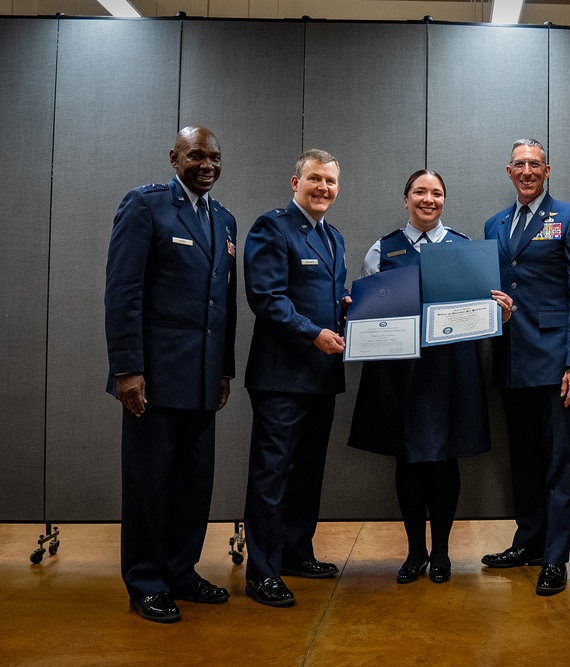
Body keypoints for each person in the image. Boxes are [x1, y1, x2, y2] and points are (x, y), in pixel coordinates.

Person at [347, 170, 514, 585]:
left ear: (444, 200)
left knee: (444, 459)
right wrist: (354, 313)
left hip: (451, 372)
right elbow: (365, 312)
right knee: (408, 460)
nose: (428, 199)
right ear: (406, 199)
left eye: (436, 193)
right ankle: (415, 552)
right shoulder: (381, 250)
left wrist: (502, 313)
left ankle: (440, 552)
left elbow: (483, 311)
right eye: (420, 192)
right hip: (399, 374)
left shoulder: (465, 248)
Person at [105, 125, 237, 623]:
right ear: (174, 157)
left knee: (193, 483)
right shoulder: (146, 206)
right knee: (148, 483)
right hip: (153, 380)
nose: (207, 165)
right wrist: (127, 368)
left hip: (203, 379)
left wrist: (223, 370)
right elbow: (123, 292)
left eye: (215, 157)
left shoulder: (224, 220)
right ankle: (145, 581)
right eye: (196, 156)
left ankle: (181, 571)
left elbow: (222, 304)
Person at [480, 139, 570, 596]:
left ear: (546, 170)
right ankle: (527, 542)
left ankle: (554, 557)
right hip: (512, 361)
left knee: (558, 463)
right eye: (519, 165)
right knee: (524, 462)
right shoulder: (494, 223)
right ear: (508, 171)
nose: (527, 171)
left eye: (535, 164)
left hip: (555, 364)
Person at [241, 149, 350, 607]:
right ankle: (262, 572)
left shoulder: (334, 238)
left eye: (330, 181)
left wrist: (348, 308)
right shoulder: (272, 227)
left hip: (321, 376)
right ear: (295, 182)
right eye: (315, 179)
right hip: (282, 377)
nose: (323, 187)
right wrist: (314, 334)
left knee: (306, 474)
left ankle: (295, 553)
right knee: (272, 476)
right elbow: (266, 298)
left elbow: (325, 294)